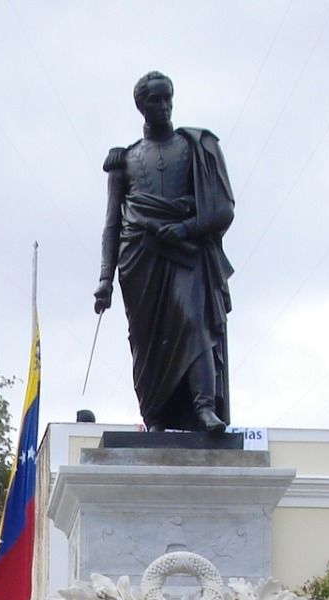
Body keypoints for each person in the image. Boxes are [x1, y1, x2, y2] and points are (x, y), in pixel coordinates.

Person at [93, 71, 236, 433]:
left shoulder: (195, 146)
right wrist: (104, 279)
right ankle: (154, 419)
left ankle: (205, 407)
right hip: (140, 260)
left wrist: (185, 228)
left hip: (186, 253)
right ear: (141, 106)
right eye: (155, 100)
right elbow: (112, 223)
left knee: (194, 321)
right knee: (146, 343)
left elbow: (222, 208)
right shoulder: (124, 160)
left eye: (167, 98)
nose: (164, 106)